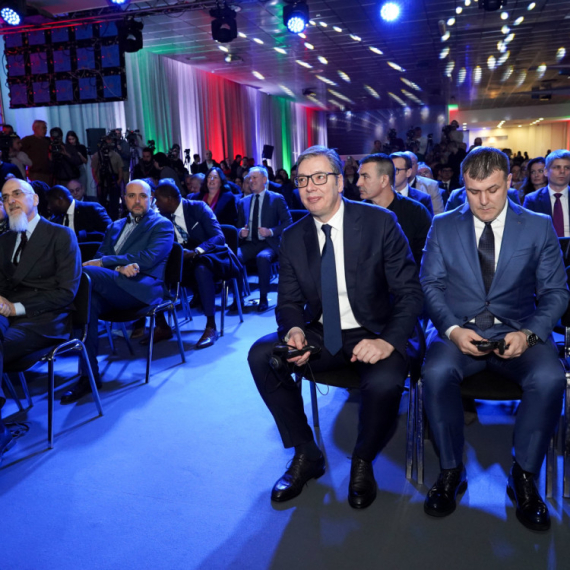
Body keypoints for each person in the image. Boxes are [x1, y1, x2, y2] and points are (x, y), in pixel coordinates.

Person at [248, 145, 423, 508]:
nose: (310, 187)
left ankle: (362, 460)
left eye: (319, 177)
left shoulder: (379, 223)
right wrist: (294, 330)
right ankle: (306, 452)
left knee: (385, 381)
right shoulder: (293, 236)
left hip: (376, 330)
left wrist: (387, 342)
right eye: (302, 180)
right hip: (322, 332)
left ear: (340, 182)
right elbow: (288, 301)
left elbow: (410, 293)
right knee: (261, 355)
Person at [420, 147, 568, 532]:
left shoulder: (536, 226)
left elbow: (556, 292)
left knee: (550, 377)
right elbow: (430, 284)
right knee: (434, 374)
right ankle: (451, 470)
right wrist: (452, 330)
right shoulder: (443, 225)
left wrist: (529, 334)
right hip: (458, 330)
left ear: (509, 182)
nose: (483, 201)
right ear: (463, 186)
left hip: (519, 332)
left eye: (492, 190)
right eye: (473, 191)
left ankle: (524, 476)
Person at [61, 180, 174, 404]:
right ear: (124, 199)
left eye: (143, 196)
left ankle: (54, 314)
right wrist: (118, 267)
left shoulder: (162, 225)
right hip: (114, 287)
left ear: (151, 199)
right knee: (88, 304)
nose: (137, 201)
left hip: (141, 289)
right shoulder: (114, 226)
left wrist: (107, 263)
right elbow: (98, 256)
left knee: (85, 274)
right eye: (132, 196)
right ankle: (89, 376)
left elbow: (148, 258)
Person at [0, 179, 81, 459]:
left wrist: (17, 308)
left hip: (46, 317)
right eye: (5, 197)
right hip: (8, 313)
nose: (11, 200)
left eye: (17, 194)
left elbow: (66, 293)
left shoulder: (60, 235)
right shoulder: (5, 239)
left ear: (34, 199)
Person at [152, 180, 242, 347]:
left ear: (169, 199)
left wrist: (196, 251)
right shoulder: (162, 217)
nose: (155, 203)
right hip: (182, 261)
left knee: (201, 269)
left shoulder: (198, 207)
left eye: (158, 199)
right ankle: (162, 325)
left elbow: (219, 237)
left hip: (209, 257)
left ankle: (211, 326)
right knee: (153, 270)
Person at [357, 153, 432, 266]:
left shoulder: (416, 211)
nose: (358, 183)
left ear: (384, 180)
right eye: (359, 176)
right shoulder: (357, 214)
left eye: (365, 176)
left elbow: (426, 258)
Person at [237, 166, 292, 312]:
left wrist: (271, 231)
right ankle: (238, 298)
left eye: (255, 177)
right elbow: (237, 227)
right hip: (249, 243)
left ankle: (263, 297)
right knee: (234, 256)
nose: (251, 181)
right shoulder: (243, 202)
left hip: (268, 243)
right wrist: (240, 232)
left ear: (264, 180)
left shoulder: (276, 198)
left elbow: (288, 222)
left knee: (263, 257)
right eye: (250, 178)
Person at [523, 150, 570, 237]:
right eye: (557, 167)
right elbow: (527, 233)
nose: (562, 171)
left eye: (567, 168)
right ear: (546, 172)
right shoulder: (532, 200)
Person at [46, 185, 111, 243]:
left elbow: (111, 232)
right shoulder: (56, 219)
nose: (48, 207)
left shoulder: (92, 209)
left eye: (50, 203)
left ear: (60, 201)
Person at [91, 135, 123, 220]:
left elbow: (120, 170)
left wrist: (118, 182)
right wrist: (98, 182)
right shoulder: (97, 156)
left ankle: (114, 219)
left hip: (113, 181)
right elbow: (94, 170)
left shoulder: (116, 155)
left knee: (114, 203)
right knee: (101, 203)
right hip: (102, 182)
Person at [445, 185, 520, 212]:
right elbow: (447, 223)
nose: (484, 201)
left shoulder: (510, 193)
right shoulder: (456, 195)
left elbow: (519, 219)